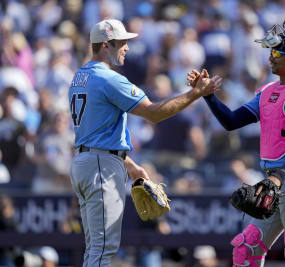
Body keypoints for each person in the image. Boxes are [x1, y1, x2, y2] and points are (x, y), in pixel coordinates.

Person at [68, 19, 222, 267]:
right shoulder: (110, 79)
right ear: (106, 45)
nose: (127, 48)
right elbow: (154, 113)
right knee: (103, 249)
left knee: (95, 248)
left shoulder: (79, 77)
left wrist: (131, 167)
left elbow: (96, 135)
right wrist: (196, 93)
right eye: (122, 43)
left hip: (85, 161)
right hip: (100, 167)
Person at [188, 19, 285, 267]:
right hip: (274, 181)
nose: (271, 57)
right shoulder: (267, 92)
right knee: (246, 249)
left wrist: (279, 176)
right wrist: (208, 96)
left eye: (277, 52)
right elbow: (231, 121)